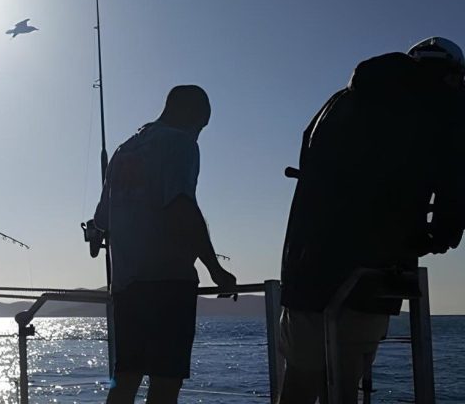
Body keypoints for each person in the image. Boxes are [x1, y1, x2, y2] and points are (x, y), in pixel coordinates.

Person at [278, 37, 465, 404]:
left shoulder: (337, 103)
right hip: (373, 271)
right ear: (449, 73)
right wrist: (438, 236)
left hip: (306, 267)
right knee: (345, 384)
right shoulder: (443, 107)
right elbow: (454, 183)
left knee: (299, 383)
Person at [92, 85, 237, 404]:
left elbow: (101, 220)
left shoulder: (123, 150)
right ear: (191, 113)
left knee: (125, 379)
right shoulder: (180, 142)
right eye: (201, 125)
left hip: (127, 287)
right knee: (165, 385)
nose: (199, 134)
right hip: (167, 283)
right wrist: (216, 269)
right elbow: (181, 207)